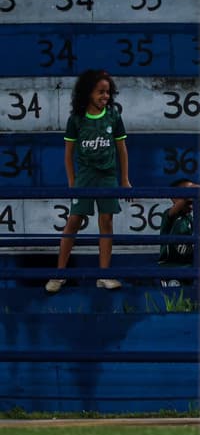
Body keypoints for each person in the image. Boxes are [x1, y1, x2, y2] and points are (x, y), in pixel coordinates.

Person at [45, 69, 131, 293]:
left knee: (106, 221)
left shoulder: (113, 116)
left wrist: (124, 179)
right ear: (88, 92)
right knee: (74, 221)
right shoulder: (76, 119)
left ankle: (104, 275)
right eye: (100, 92)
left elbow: (122, 150)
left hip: (107, 176)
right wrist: (72, 181)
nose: (105, 96)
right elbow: (68, 154)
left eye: (108, 92)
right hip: (84, 177)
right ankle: (59, 275)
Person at [158, 178, 200, 287]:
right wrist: (191, 190)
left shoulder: (193, 219)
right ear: (174, 198)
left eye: (192, 203)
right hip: (169, 267)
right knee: (173, 293)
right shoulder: (169, 215)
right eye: (188, 203)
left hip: (188, 266)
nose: (191, 206)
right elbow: (176, 208)